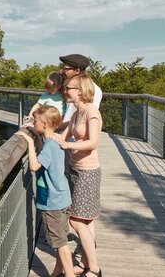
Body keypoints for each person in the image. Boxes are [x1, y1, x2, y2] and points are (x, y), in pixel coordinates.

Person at [15, 106, 75, 277]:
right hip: (63, 197)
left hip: (53, 202)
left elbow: (34, 166)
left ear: (46, 124)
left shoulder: (49, 146)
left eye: (35, 121)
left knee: (60, 243)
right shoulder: (55, 140)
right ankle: (58, 271)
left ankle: (69, 274)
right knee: (61, 238)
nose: (34, 123)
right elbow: (42, 135)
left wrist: (29, 142)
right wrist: (30, 127)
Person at [54, 73, 103, 277]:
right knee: (87, 220)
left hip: (88, 171)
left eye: (69, 88)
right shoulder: (76, 111)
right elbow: (61, 137)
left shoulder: (91, 112)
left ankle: (95, 268)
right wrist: (37, 129)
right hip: (75, 169)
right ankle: (85, 264)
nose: (65, 91)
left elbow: (93, 142)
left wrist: (69, 145)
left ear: (81, 90)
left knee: (75, 220)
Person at [58, 54, 102, 123]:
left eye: (66, 69)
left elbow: (86, 119)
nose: (62, 71)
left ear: (77, 71)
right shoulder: (72, 86)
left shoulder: (93, 89)